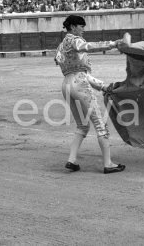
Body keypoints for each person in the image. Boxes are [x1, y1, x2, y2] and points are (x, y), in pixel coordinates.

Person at [54, 15, 128, 174]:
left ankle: (71, 160)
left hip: (66, 85)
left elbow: (77, 71)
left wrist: (103, 86)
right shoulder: (73, 40)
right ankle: (108, 164)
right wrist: (113, 44)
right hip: (79, 85)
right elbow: (86, 48)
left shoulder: (60, 46)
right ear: (73, 27)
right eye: (81, 26)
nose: (84, 30)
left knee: (82, 125)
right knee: (100, 124)